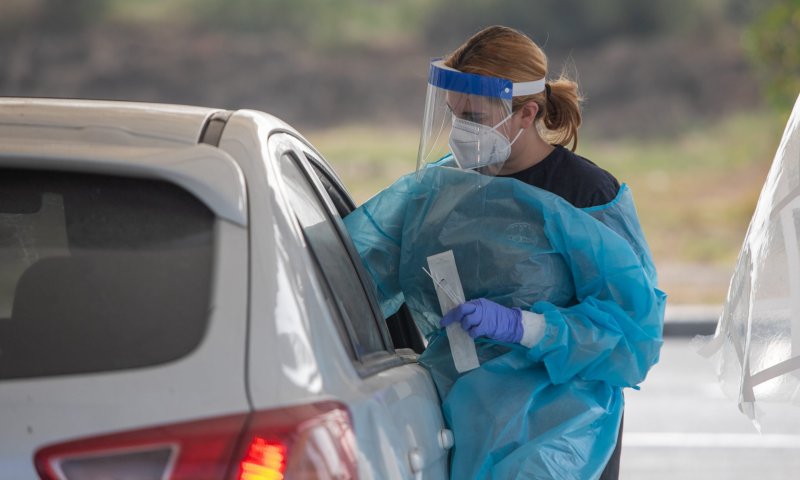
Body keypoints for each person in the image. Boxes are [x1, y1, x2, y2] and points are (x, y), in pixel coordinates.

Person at [344, 25, 665, 479]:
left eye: (474, 116)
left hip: (560, 432)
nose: (460, 132)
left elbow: (633, 337)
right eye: (455, 116)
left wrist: (526, 327)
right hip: (458, 418)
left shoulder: (586, 195)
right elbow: (352, 270)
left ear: (525, 113)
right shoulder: (442, 189)